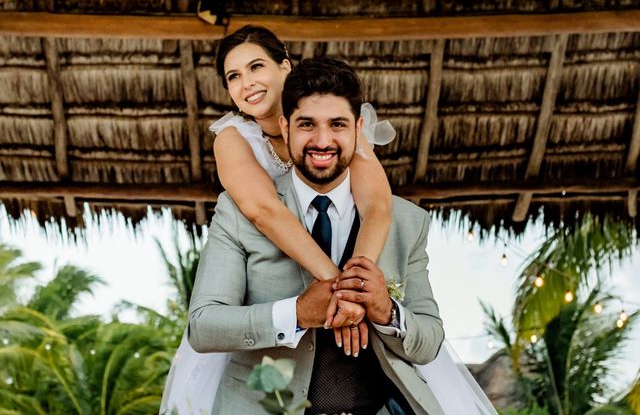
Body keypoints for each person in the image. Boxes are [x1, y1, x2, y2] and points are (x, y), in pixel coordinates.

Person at [161, 27, 498, 414]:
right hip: (265, 384)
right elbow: (265, 212)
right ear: (288, 127)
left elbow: (378, 208)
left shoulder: (398, 209)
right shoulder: (234, 141)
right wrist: (325, 296)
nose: (247, 83)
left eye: (256, 66)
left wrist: (369, 296)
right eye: (233, 76)